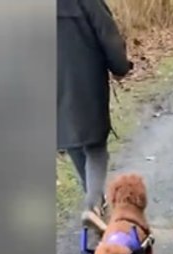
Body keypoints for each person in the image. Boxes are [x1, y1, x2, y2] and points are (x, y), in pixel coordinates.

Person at [57, 0, 132, 219]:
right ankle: (94, 206)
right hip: (85, 82)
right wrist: (120, 67)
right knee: (95, 147)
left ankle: (95, 205)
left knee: (73, 140)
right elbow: (108, 35)